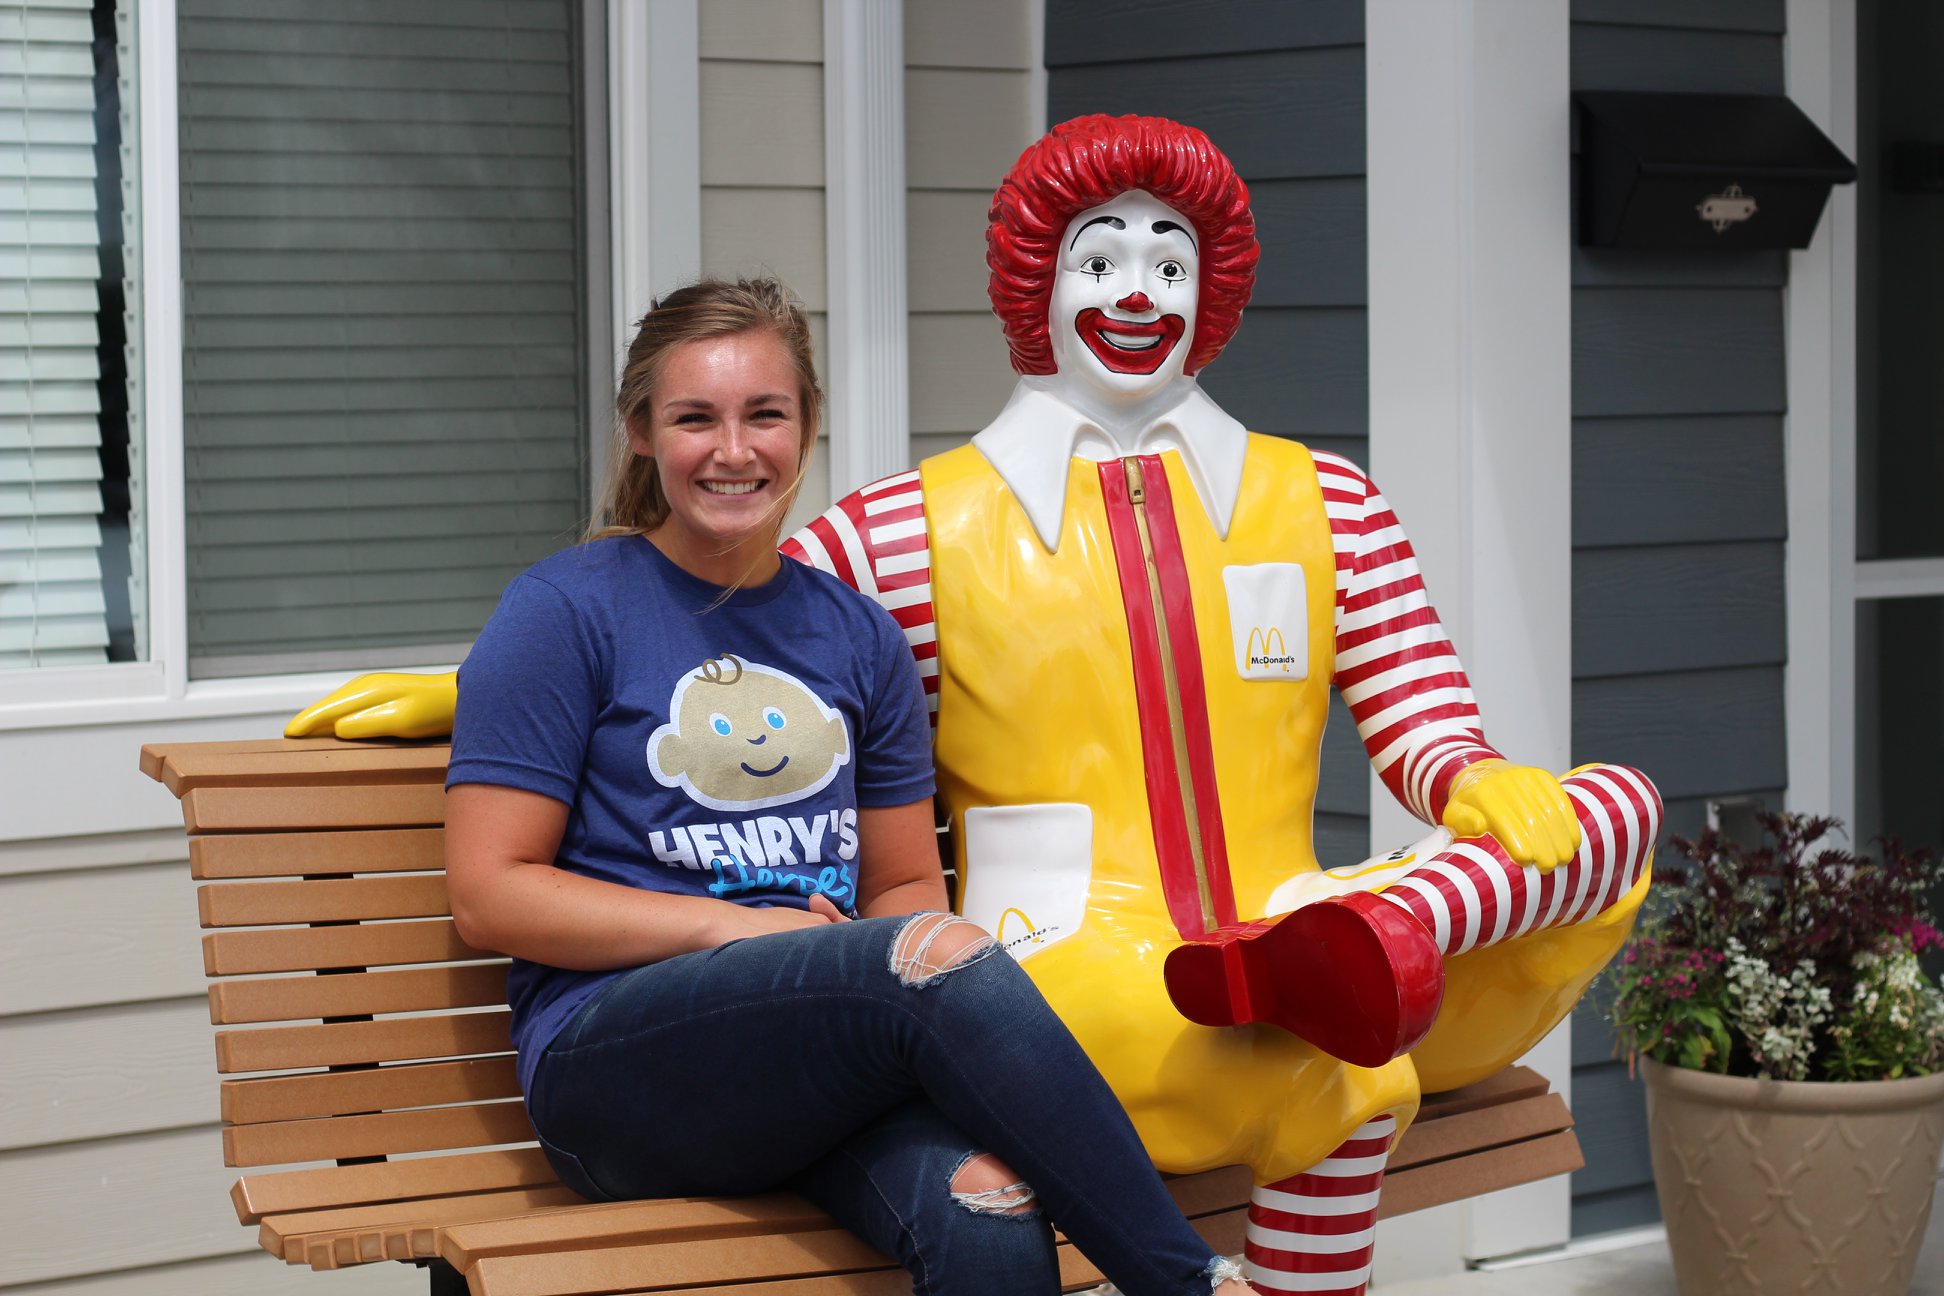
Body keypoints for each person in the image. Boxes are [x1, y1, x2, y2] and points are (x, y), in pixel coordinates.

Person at [779, 115, 1662, 1294]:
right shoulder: (903, 534)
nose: (1138, 292)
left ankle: (1371, 940)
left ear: (1213, 294)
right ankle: (1304, 992)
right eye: (1102, 260)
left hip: (1315, 932)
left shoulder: (1328, 501)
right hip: (1065, 974)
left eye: (1171, 263)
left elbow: (1422, 716)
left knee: (1616, 811)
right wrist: (492, 681)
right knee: (1336, 1069)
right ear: (1036, 282)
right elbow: (717, 669)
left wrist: (1470, 780)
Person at [422, 278, 1254, 1296]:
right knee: (934, 957)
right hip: (620, 1073)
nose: (734, 450)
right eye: (696, 418)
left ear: (807, 426)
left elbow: (904, 889)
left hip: (817, 1068)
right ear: (643, 432)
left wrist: (843, 955)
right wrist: (732, 930)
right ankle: (1187, 1282)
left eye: (765, 414)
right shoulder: (567, 611)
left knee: (986, 1200)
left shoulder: (857, 635)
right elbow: (488, 892)